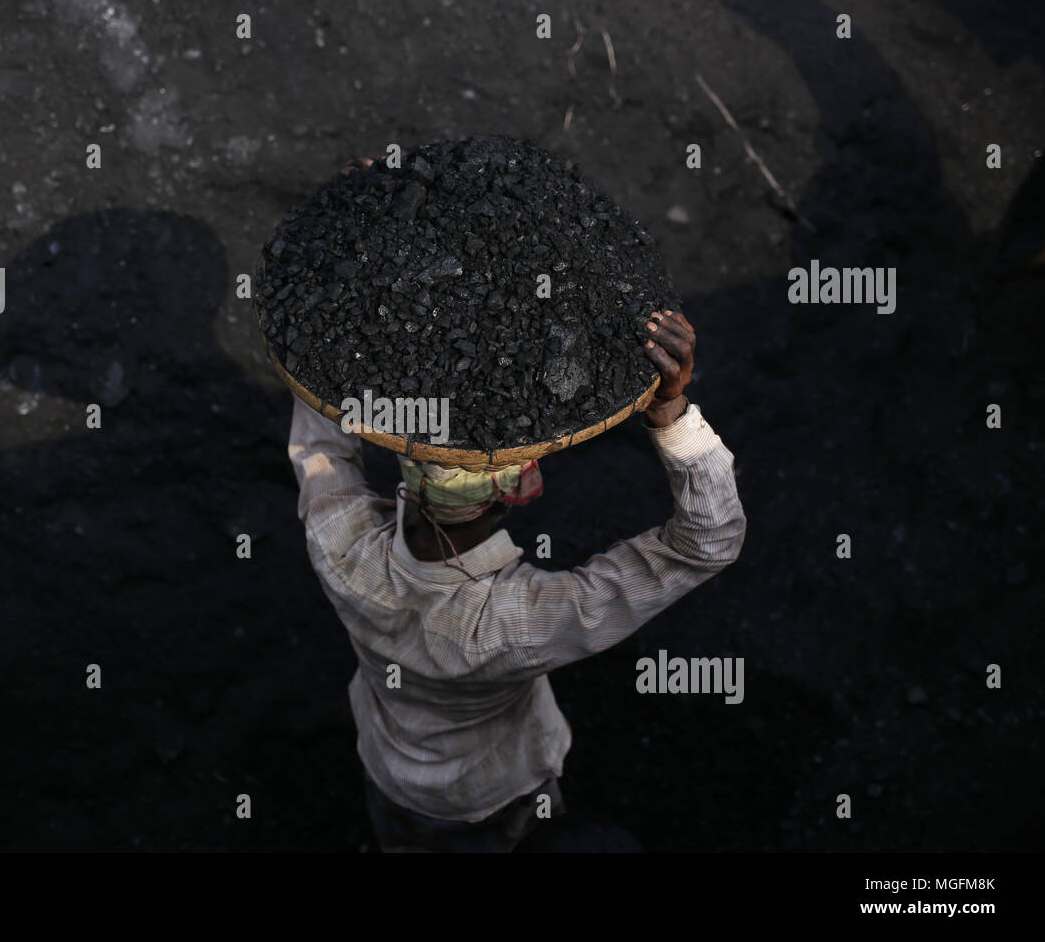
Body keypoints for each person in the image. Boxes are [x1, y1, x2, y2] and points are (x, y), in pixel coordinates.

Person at [289, 298, 746, 852]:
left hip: (389, 770)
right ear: (522, 490)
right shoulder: (515, 627)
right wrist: (670, 411)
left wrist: (331, 319)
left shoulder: (338, 543)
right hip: (491, 792)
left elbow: (320, 442)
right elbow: (707, 542)